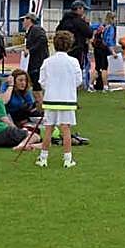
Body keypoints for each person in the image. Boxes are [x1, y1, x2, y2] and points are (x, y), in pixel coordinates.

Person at [35, 31, 84, 168]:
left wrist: (51, 88)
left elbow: (42, 81)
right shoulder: (73, 62)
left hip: (51, 99)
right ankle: (68, 159)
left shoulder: (47, 61)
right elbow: (78, 81)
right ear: (70, 45)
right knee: (66, 129)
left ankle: (43, 158)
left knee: (49, 129)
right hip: (67, 100)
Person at [58, 0, 93, 93]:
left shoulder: (64, 21)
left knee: (64, 70)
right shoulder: (78, 21)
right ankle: (74, 91)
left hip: (63, 50)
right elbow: (89, 33)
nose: (83, 12)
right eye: (83, 9)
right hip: (78, 49)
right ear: (78, 9)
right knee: (76, 70)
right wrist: (85, 23)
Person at [21, 13, 49, 107]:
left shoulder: (36, 29)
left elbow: (43, 39)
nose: (22, 22)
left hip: (37, 63)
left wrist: (30, 50)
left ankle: (41, 107)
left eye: (24, 19)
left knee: (37, 86)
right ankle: (38, 106)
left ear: (29, 20)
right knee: (34, 86)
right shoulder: (30, 31)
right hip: (33, 62)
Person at [92, 18, 114, 92]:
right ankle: (105, 86)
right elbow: (109, 41)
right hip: (103, 49)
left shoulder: (99, 26)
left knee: (97, 67)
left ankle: (91, 85)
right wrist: (113, 52)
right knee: (104, 67)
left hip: (96, 48)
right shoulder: (110, 28)